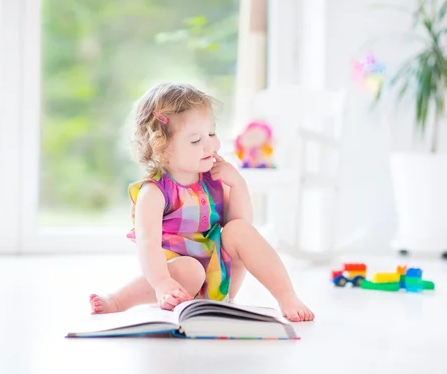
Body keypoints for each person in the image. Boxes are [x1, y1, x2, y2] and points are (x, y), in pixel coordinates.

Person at [89, 83, 314, 322]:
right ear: (161, 149)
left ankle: (286, 295)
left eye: (212, 133)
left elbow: (241, 225)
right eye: (196, 140)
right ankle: (118, 300)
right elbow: (148, 245)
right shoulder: (155, 192)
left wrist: (237, 185)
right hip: (178, 282)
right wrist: (163, 283)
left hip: (219, 280)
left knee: (239, 230)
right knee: (190, 269)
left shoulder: (213, 179)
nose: (210, 144)